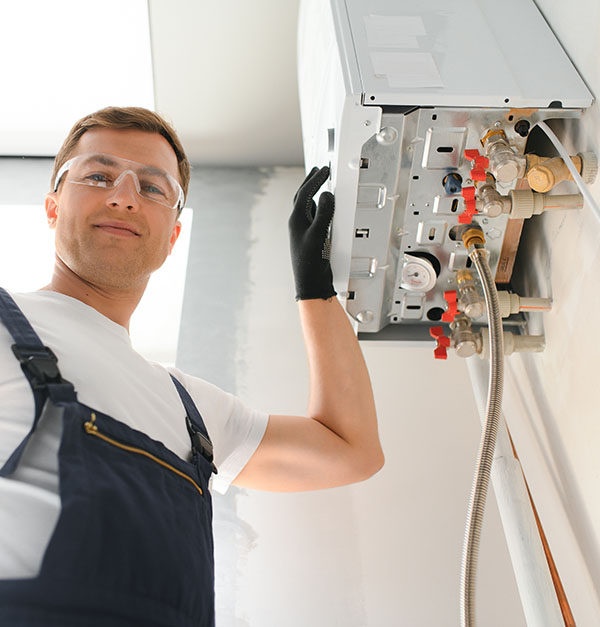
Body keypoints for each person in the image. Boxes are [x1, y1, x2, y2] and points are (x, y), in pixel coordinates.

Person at [0, 106, 384, 626]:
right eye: (98, 175)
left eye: (154, 188)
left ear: (174, 234)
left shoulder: (192, 410)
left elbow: (349, 450)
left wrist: (315, 290)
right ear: (51, 206)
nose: (125, 195)